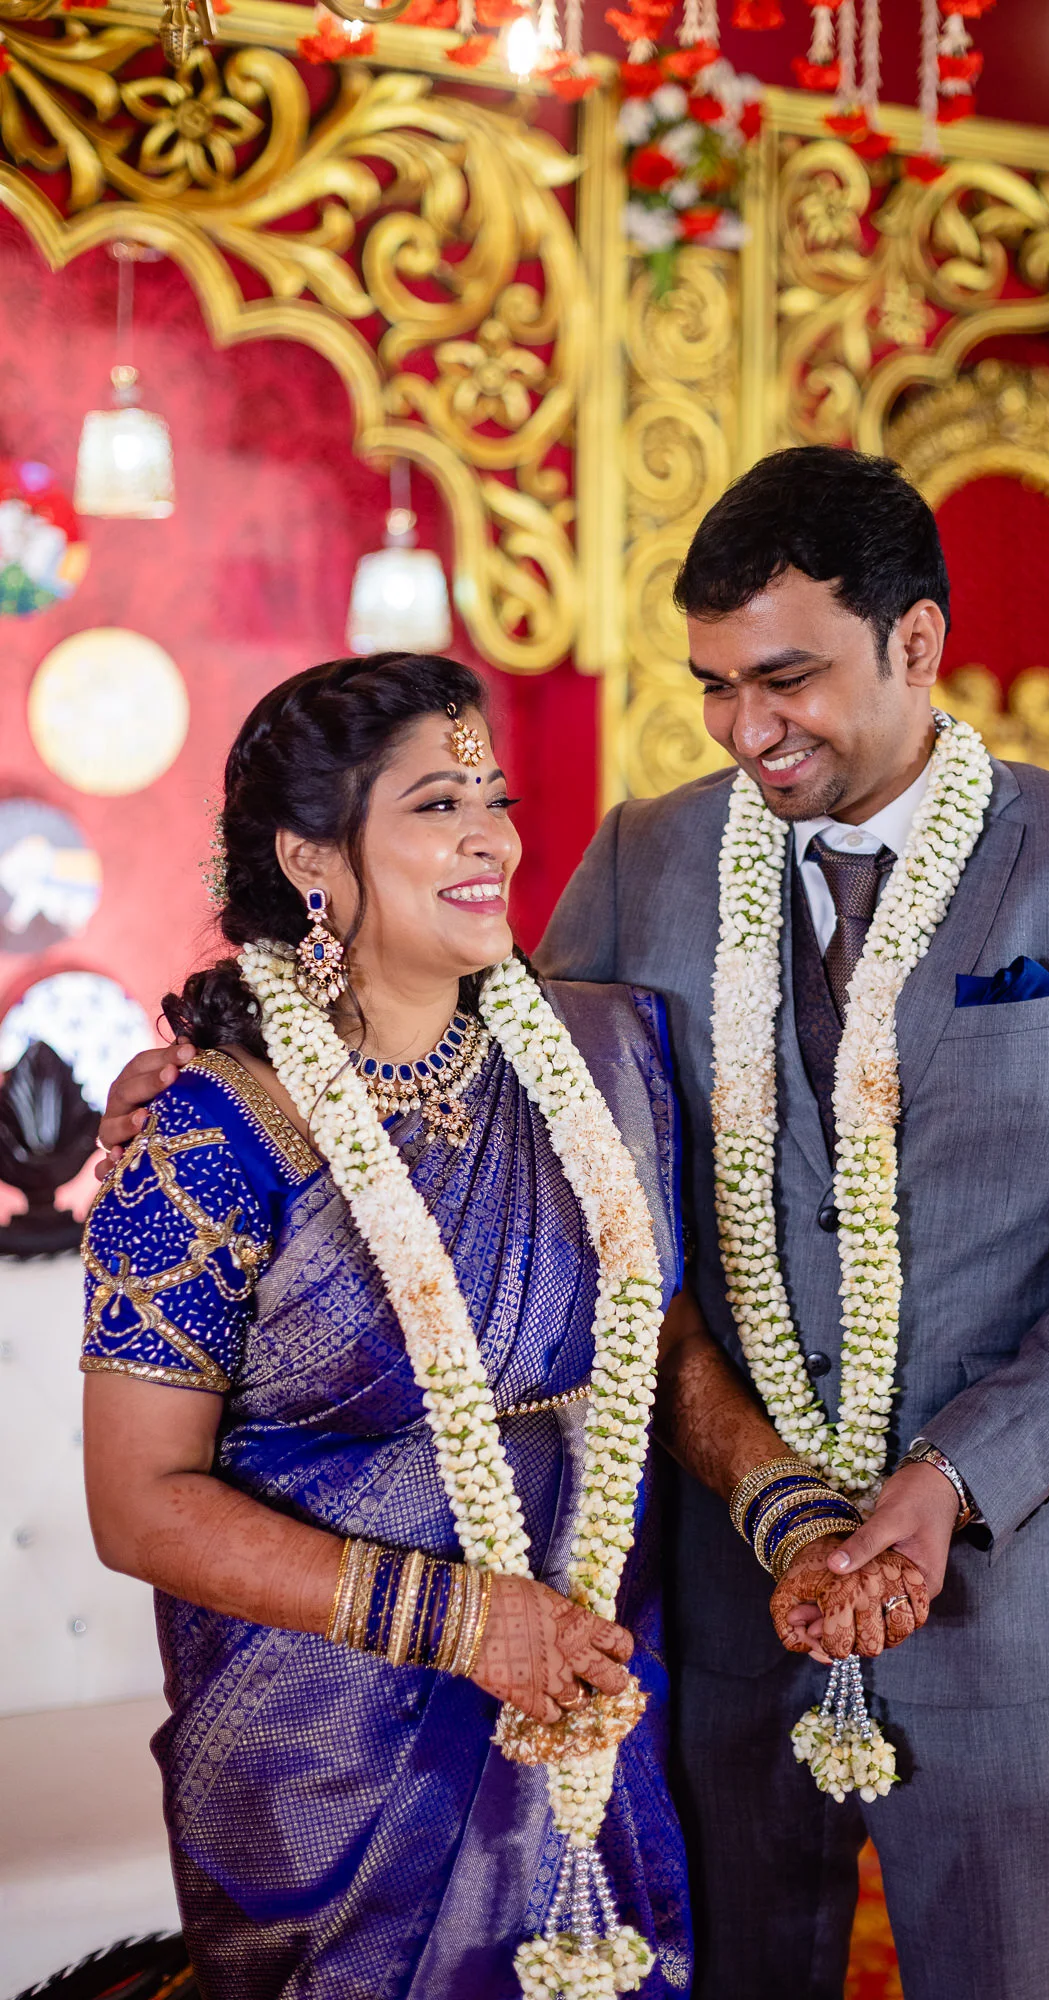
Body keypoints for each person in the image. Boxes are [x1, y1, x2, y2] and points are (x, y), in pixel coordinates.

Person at [98, 445, 1049, 2000]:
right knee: (735, 1969)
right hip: (706, 1588)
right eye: (715, 686)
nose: (747, 730)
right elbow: (500, 1080)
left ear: (915, 641)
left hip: (998, 1576)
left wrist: (956, 1474)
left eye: (788, 679)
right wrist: (212, 1053)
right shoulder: (653, 854)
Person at [83, 652, 913, 2000]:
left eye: (496, 796)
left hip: (584, 1692)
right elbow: (137, 1503)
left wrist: (794, 1519)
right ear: (311, 857)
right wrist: (463, 1624)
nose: (492, 838)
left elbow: (666, 1349)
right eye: (434, 805)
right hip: (327, 1757)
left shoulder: (600, 1055)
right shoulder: (205, 1130)